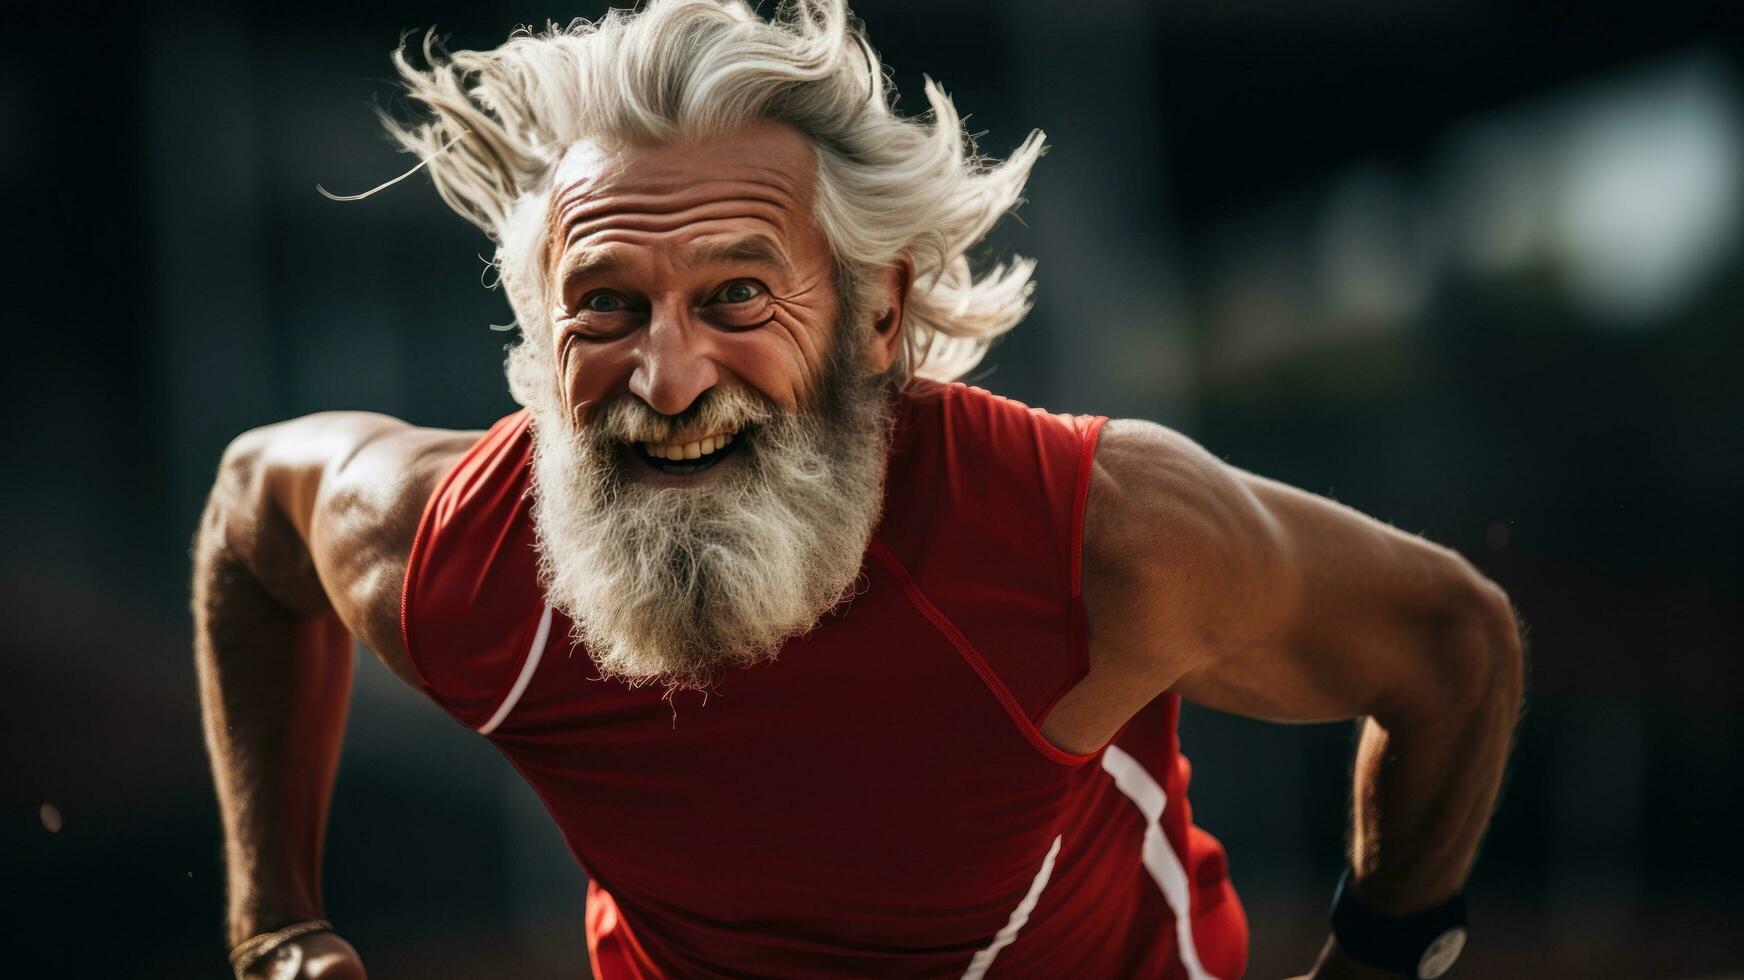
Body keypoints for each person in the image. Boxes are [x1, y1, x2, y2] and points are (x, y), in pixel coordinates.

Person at [193, 2, 1523, 977]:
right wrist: (276, 927)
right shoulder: (457, 560)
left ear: (876, 322)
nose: (665, 380)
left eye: (734, 296)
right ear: (540, 343)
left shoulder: (1095, 540)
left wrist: (1386, 958)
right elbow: (253, 518)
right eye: (604, 307)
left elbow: (1452, 645)